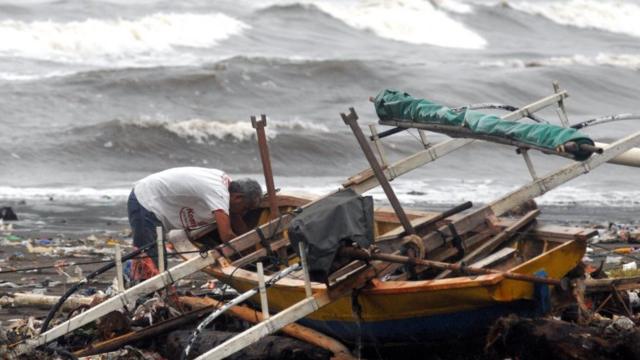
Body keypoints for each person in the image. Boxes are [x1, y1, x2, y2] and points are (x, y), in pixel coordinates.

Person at [127, 167, 262, 279]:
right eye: (246, 208)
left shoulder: (228, 189)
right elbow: (226, 236)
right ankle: (138, 287)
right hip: (145, 200)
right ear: (238, 197)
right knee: (151, 261)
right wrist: (251, 257)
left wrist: (255, 244)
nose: (244, 213)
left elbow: (235, 217)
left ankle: (130, 271)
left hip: (156, 203)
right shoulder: (219, 193)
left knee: (156, 258)